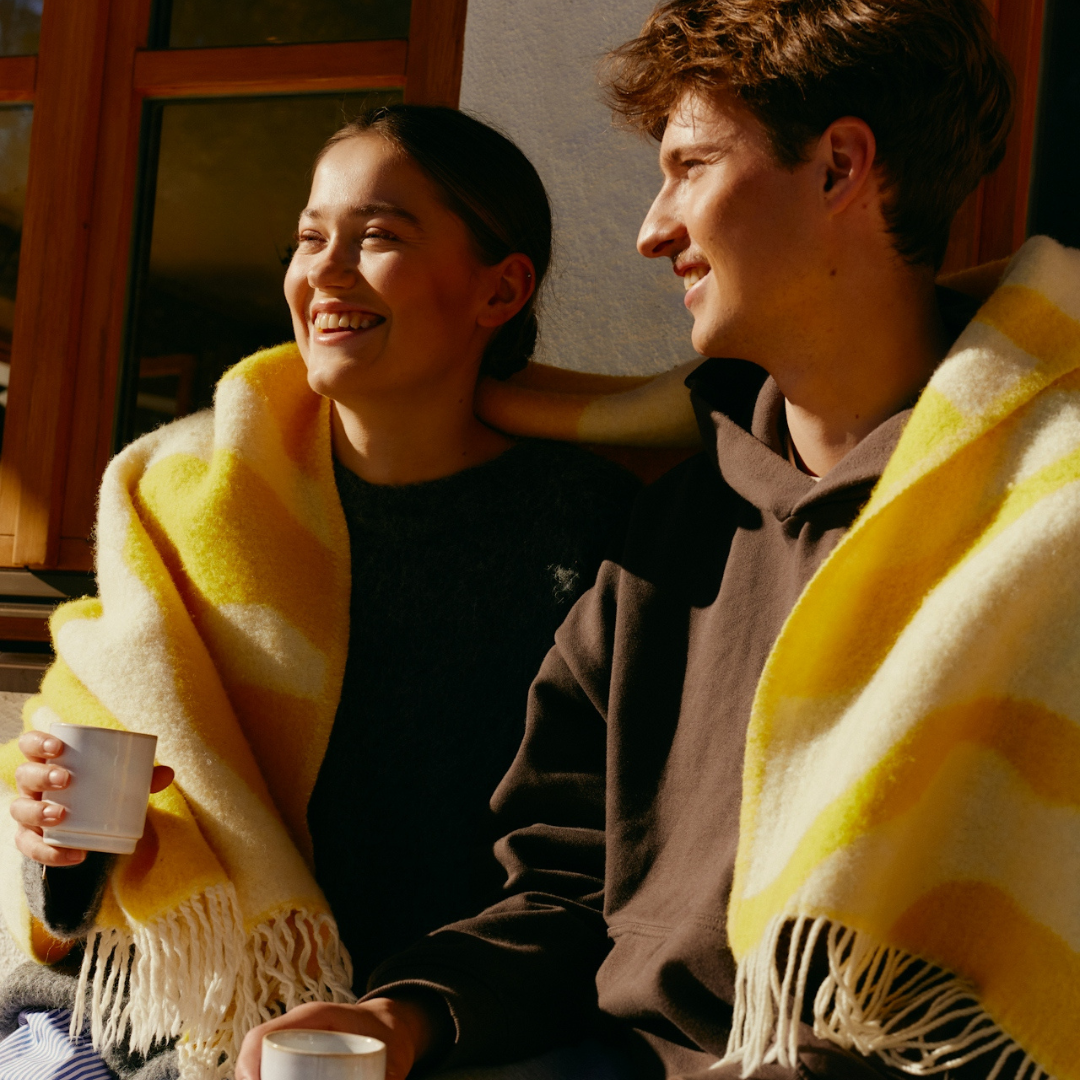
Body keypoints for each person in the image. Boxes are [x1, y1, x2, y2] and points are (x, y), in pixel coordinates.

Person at [233, 3, 1080, 1080]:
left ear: (841, 168)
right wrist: (412, 1015)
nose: (651, 228)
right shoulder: (677, 528)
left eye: (688, 167)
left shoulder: (1045, 518)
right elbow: (563, 881)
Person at [0, 105, 639, 1080]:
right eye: (311, 238)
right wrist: (60, 844)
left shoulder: (592, 529)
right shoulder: (184, 497)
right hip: (147, 1021)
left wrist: (407, 1017)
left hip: (444, 1034)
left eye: (378, 236)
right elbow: (83, 881)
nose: (325, 272)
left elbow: (585, 868)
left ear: (500, 290)